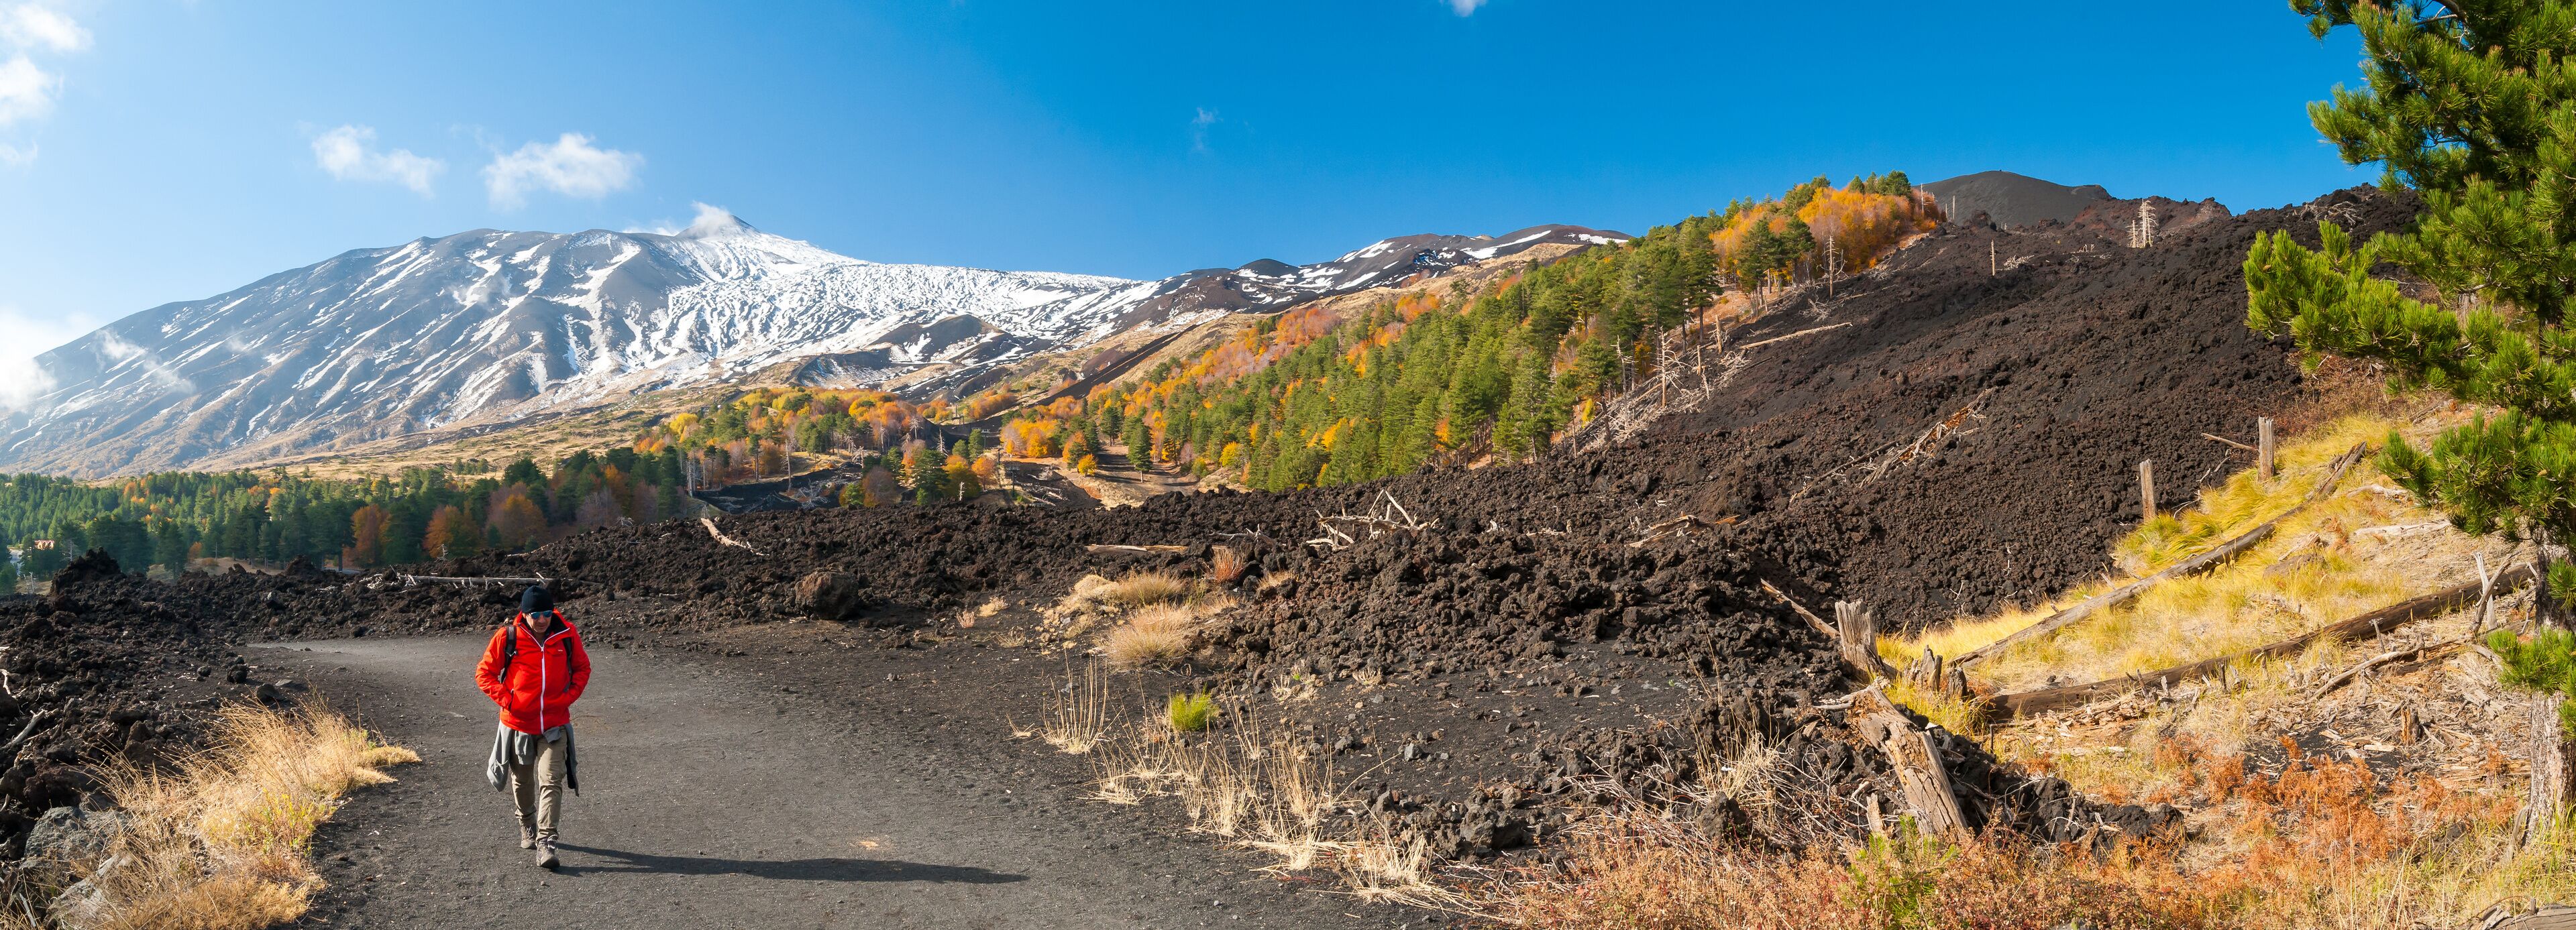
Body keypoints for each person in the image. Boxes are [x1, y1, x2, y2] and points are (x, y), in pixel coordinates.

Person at [477, 585, 589, 869]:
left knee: (551, 780)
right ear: (524, 613)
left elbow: (583, 669)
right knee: (523, 780)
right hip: (519, 724)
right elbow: (484, 673)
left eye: (546, 613)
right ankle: (526, 822)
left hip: (555, 724)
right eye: (535, 614)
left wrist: (567, 698)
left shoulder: (567, 635)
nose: (541, 619)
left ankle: (546, 841)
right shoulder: (508, 637)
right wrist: (509, 700)